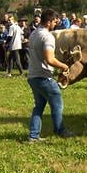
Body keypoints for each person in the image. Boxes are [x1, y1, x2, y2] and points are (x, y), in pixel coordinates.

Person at [27, 8, 74, 141]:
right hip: (43, 77)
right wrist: (64, 66)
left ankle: (33, 136)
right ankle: (60, 131)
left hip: (32, 76)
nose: (56, 24)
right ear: (48, 22)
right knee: (57, 104)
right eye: (54, 21)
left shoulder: (33, 33)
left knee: (39, 106)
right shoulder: (47, 36)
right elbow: (50, 59)